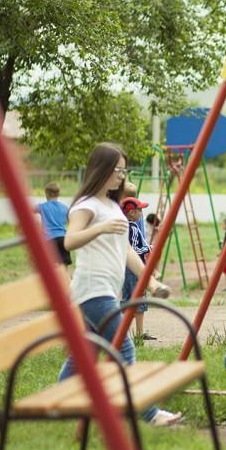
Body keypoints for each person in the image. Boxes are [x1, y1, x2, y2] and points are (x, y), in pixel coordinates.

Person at [58, 143, 179, 427]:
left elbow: (126, 251)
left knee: (83, 355)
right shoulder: (86, 206)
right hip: (93, 290)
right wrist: (99, 227)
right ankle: (150, 414)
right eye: (117, 170)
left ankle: (59, 404)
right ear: (101, 170)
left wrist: (150, 282)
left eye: (124, 171)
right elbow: (69, 241)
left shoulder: (112, 205)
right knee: (124, 349)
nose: (121, 176)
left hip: (105, 289)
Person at [120, 197, 155, 340]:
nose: (141, 213)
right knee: (138, 298)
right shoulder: (132, 228)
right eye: (139, 210)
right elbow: (133, 249)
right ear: (132, 213)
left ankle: (123, 333)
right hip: (133, 269)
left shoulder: (122, 227)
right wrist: (148, 248)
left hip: (123, 267)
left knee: (126, 299)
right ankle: (139, 333)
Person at [35, 182, 71, 275]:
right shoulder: (65, 208)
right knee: (64, 266)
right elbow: (70, 220)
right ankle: (67, 283)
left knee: (50, 266)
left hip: (50, 240)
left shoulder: (42, 207)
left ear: (46, 194)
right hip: (63, 239)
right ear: (58, 194)